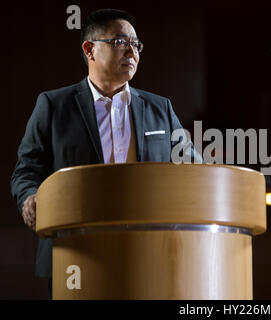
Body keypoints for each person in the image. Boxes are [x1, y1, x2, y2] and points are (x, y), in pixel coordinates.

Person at [10, 8, 201, 298]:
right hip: (75, 255)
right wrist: (30, 198)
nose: (132, 51)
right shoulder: (53, 106)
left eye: (136, 45)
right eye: (121, 42)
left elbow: (192, 170)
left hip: (150, 254)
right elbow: (26, 171)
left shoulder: (160, 108)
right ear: (90, 49)